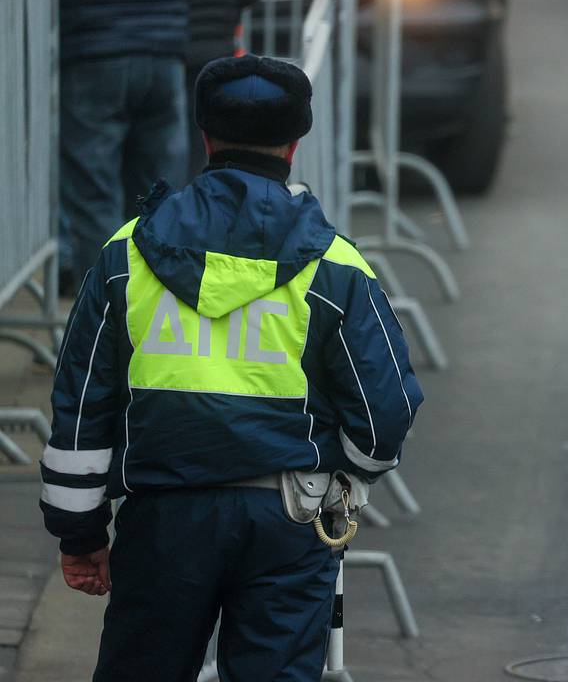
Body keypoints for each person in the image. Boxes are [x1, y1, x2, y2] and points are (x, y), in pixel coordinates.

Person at [39, 54, 424, 681]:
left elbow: (82, 408)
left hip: (162, 519)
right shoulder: (336, 265)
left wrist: (79, 534)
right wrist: (347, 481)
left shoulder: (126, 255)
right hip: (288, 519)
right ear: (294, 145)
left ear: (205, 136)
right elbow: (385, 414)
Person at [58, 0, 203, 294]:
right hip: (163, 47)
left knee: (93, 196)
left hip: (94, 46)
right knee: (159, 195)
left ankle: (107, 310)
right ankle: (158, 302)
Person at [186, 0, 260, 181]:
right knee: (204, 131)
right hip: (217, 52)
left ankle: (177, 196)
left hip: (176, 49)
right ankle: (198, 190)